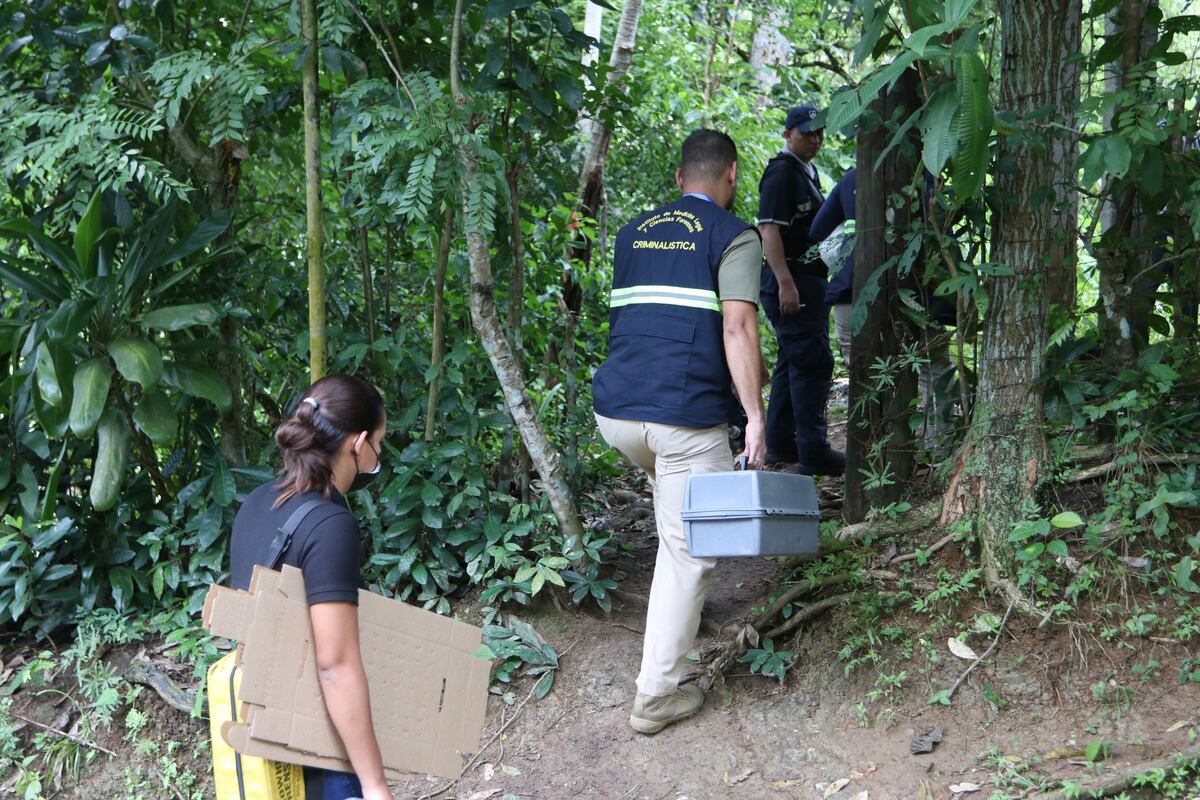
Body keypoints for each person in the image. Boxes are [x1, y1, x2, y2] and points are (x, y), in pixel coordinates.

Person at [592, 128, 766, 735]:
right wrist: (757, 417)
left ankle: (678, 615)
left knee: (676, 508)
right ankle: (657, 695)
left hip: (616, 414)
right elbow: (739, 329)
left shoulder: (631, 232)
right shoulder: (734, 235)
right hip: (682, 418)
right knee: (688, 550)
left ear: (677, 181)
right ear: (732, 175)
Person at [228, 374, 392, 800]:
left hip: (260, 734)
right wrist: (375, 785)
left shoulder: (258, 500)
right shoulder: (331, 525)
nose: (377, 457)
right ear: (357, 445)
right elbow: (334, 666)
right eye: (378, 443)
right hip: (316, 750)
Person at [757, 103, 845, 475]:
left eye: (819, 131)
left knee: (793, 360)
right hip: (791, 278)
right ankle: (814, 452)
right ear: (787, 134)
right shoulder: (781, 173)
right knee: (812, 361)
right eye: (807, 132)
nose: (815, 138)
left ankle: (780, 444)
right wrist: (786, 283)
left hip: (807, 279)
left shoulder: (804, 172)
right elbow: (769, 230)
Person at [810, 167, 856, 368]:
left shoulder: (851, 179)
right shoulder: (918, 178)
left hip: (848, 287)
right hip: (906, 291)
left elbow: (817, 230)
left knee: (859, 366)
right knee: (931, 366)